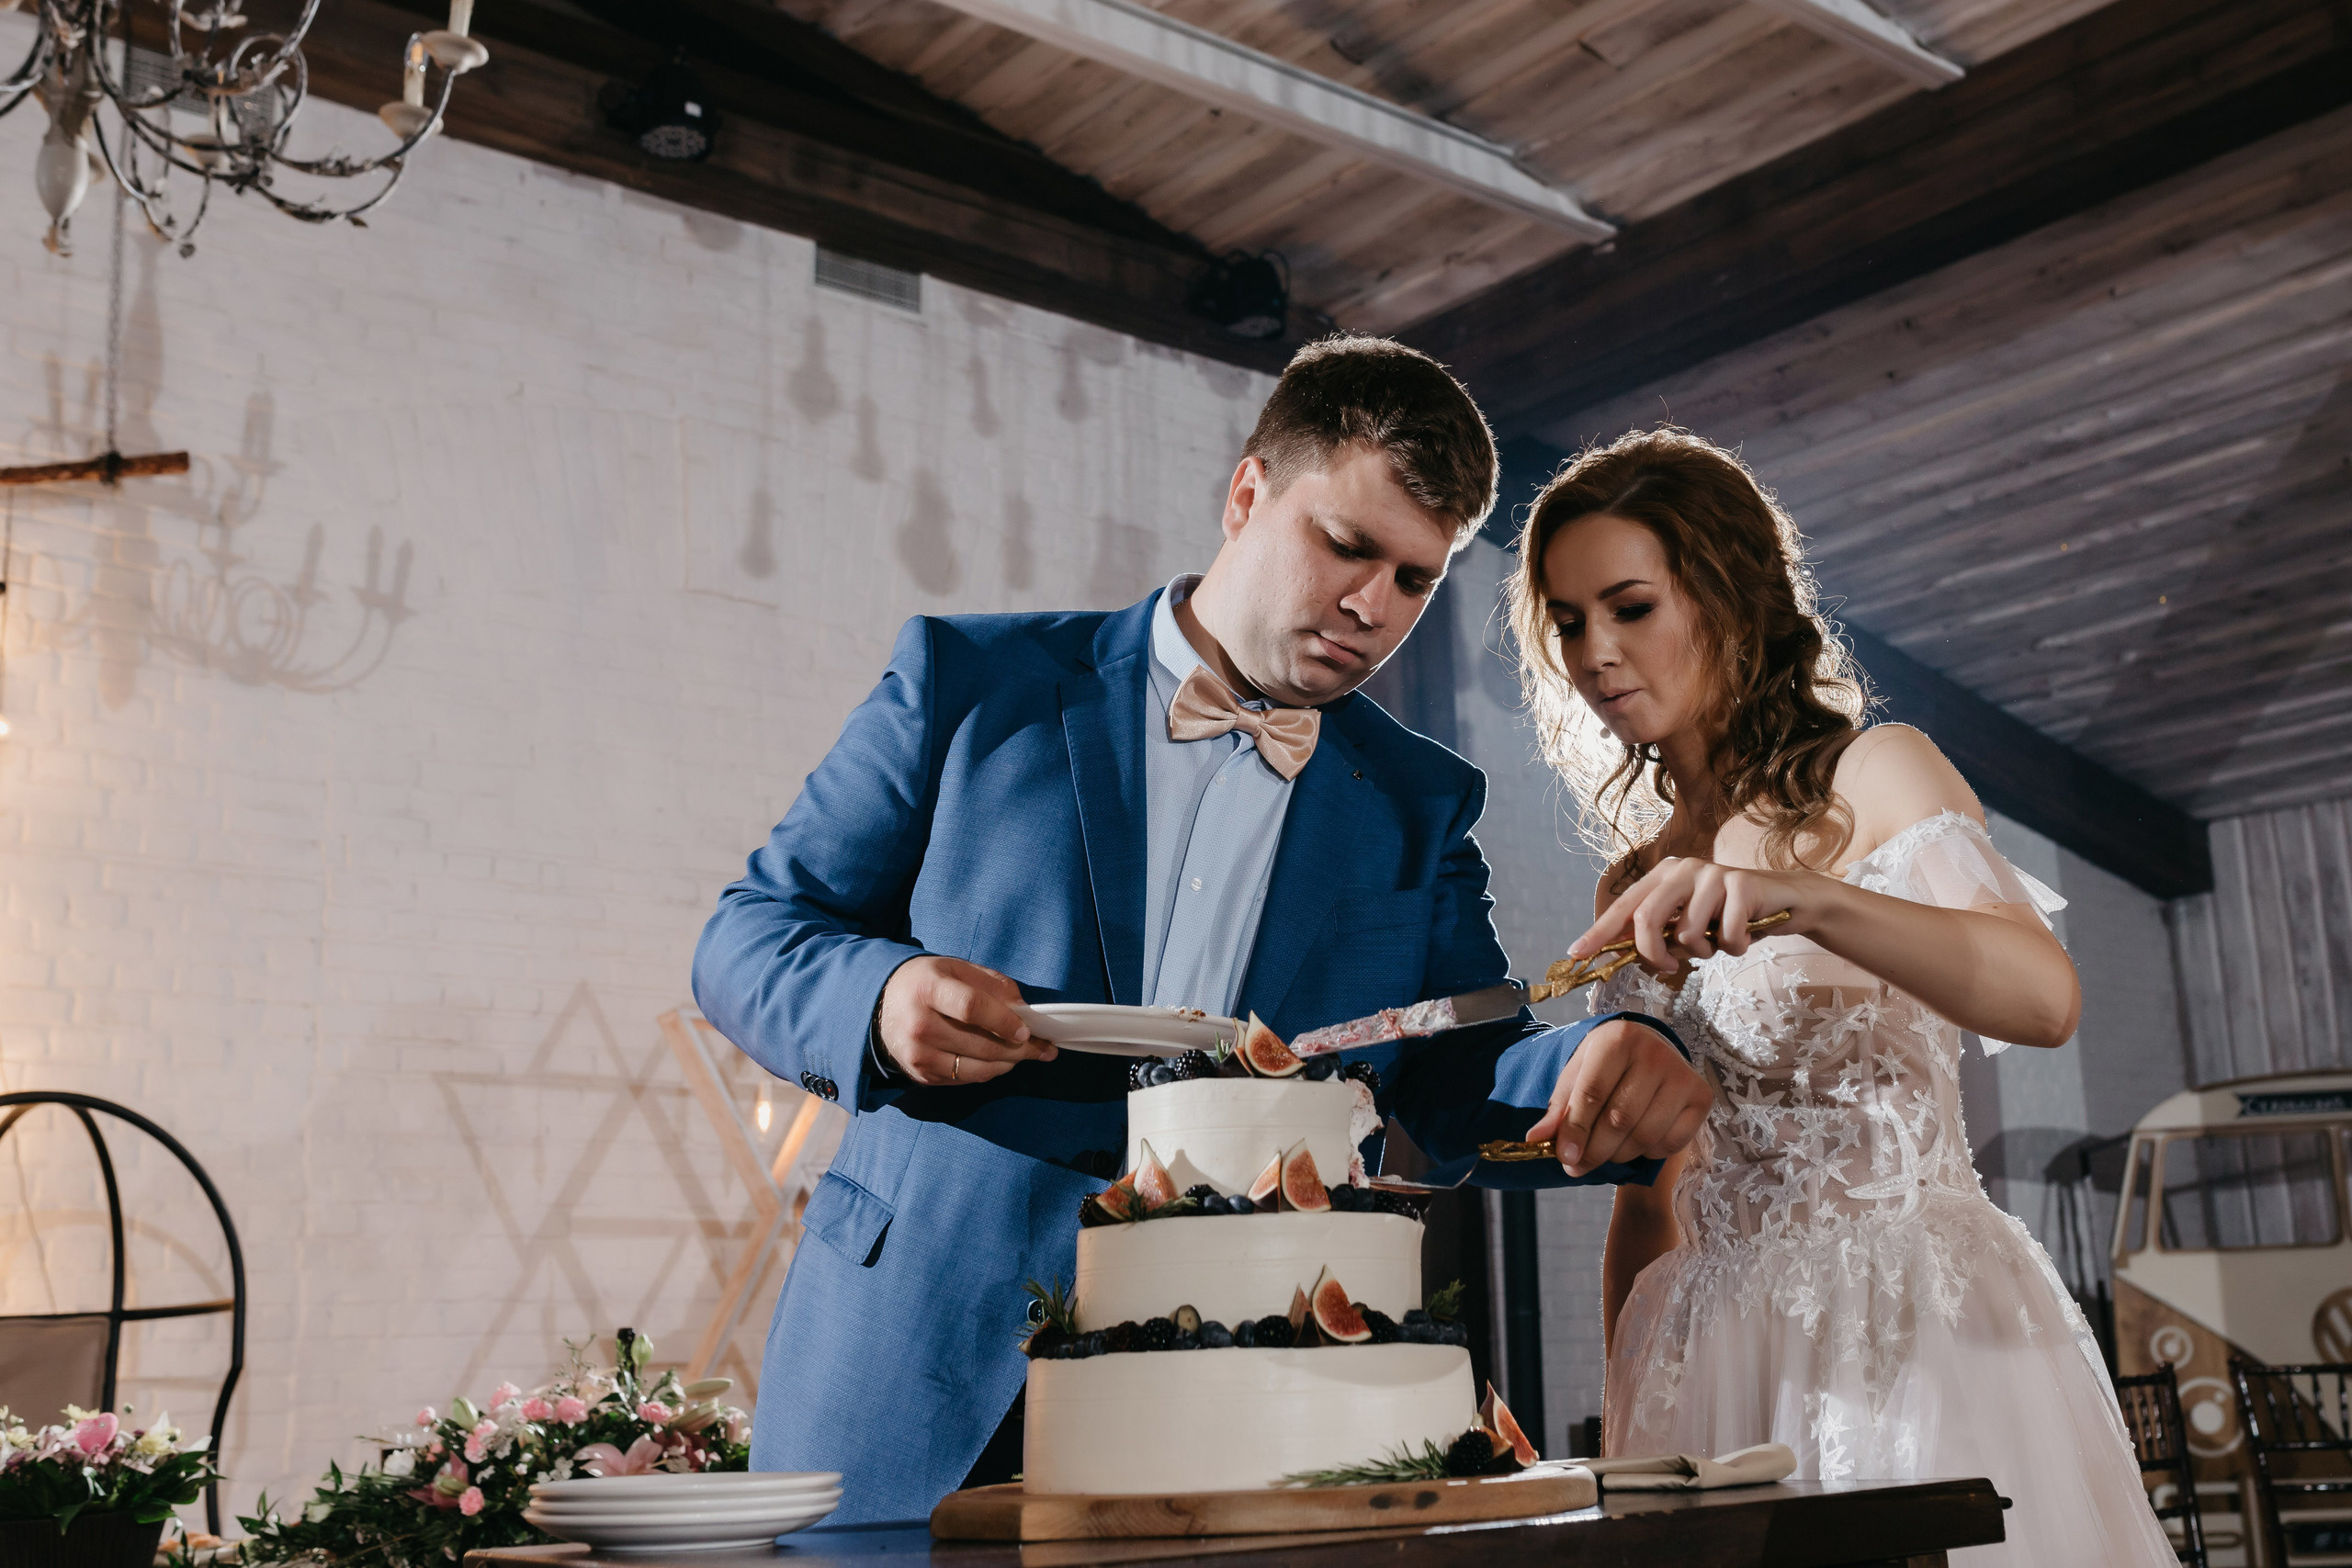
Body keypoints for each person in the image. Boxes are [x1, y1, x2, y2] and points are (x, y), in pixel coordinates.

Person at [693, 336, 1713, 1524]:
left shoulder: (1418, 801)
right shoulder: (973, 681)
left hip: (1237, 1395)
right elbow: (749, 933)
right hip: (916, 1351)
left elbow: (1453, 1069)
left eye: (1415, 579)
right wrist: (881, 998)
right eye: (1346, 545)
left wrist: (1602, 1058)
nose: (1372, 607)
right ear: (1246, 494)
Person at [1507, 426, 2175, 1564]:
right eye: (1567, 621)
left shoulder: (1875, 775)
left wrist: (1804, 899)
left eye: (1629, 607)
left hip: (1910, 1321)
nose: (1593, 653)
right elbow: (1651, 1198)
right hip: (1711, 1357)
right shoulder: (1630, 883)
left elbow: (2043, 1000)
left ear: (1727, 601)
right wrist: (1628, 1430)